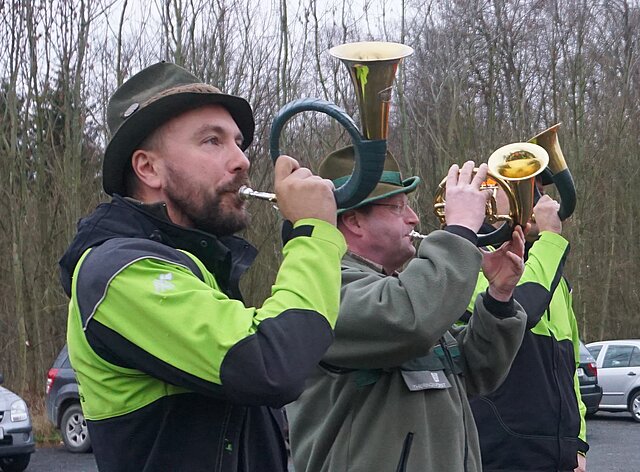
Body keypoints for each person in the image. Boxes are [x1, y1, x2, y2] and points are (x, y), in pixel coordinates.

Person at [58, 62, 348, 472]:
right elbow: (270, 366)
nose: (242, 161)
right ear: (149, 168)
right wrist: (314, 235)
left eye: (239, 143)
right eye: (212, 141)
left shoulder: (198, 267)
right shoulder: (119, 272)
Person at [286, 145, 528, 472]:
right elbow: (409, 323)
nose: (413, 218)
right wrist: (459, 233)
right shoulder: (324, 287)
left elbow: (477, 371)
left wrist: (499, 297)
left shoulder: (403, 291)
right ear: (355, 221)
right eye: (398, 207)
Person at [464, 178, 588, 472]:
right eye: (521, 191)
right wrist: (551, 239)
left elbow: (571, 373)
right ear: (489, 198)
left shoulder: (553, 276)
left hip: (560, 458)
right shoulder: (469, 260)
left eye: (540, 192)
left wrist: (579, 445)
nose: (539, 201)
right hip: (496, 456)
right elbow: (521, 308)